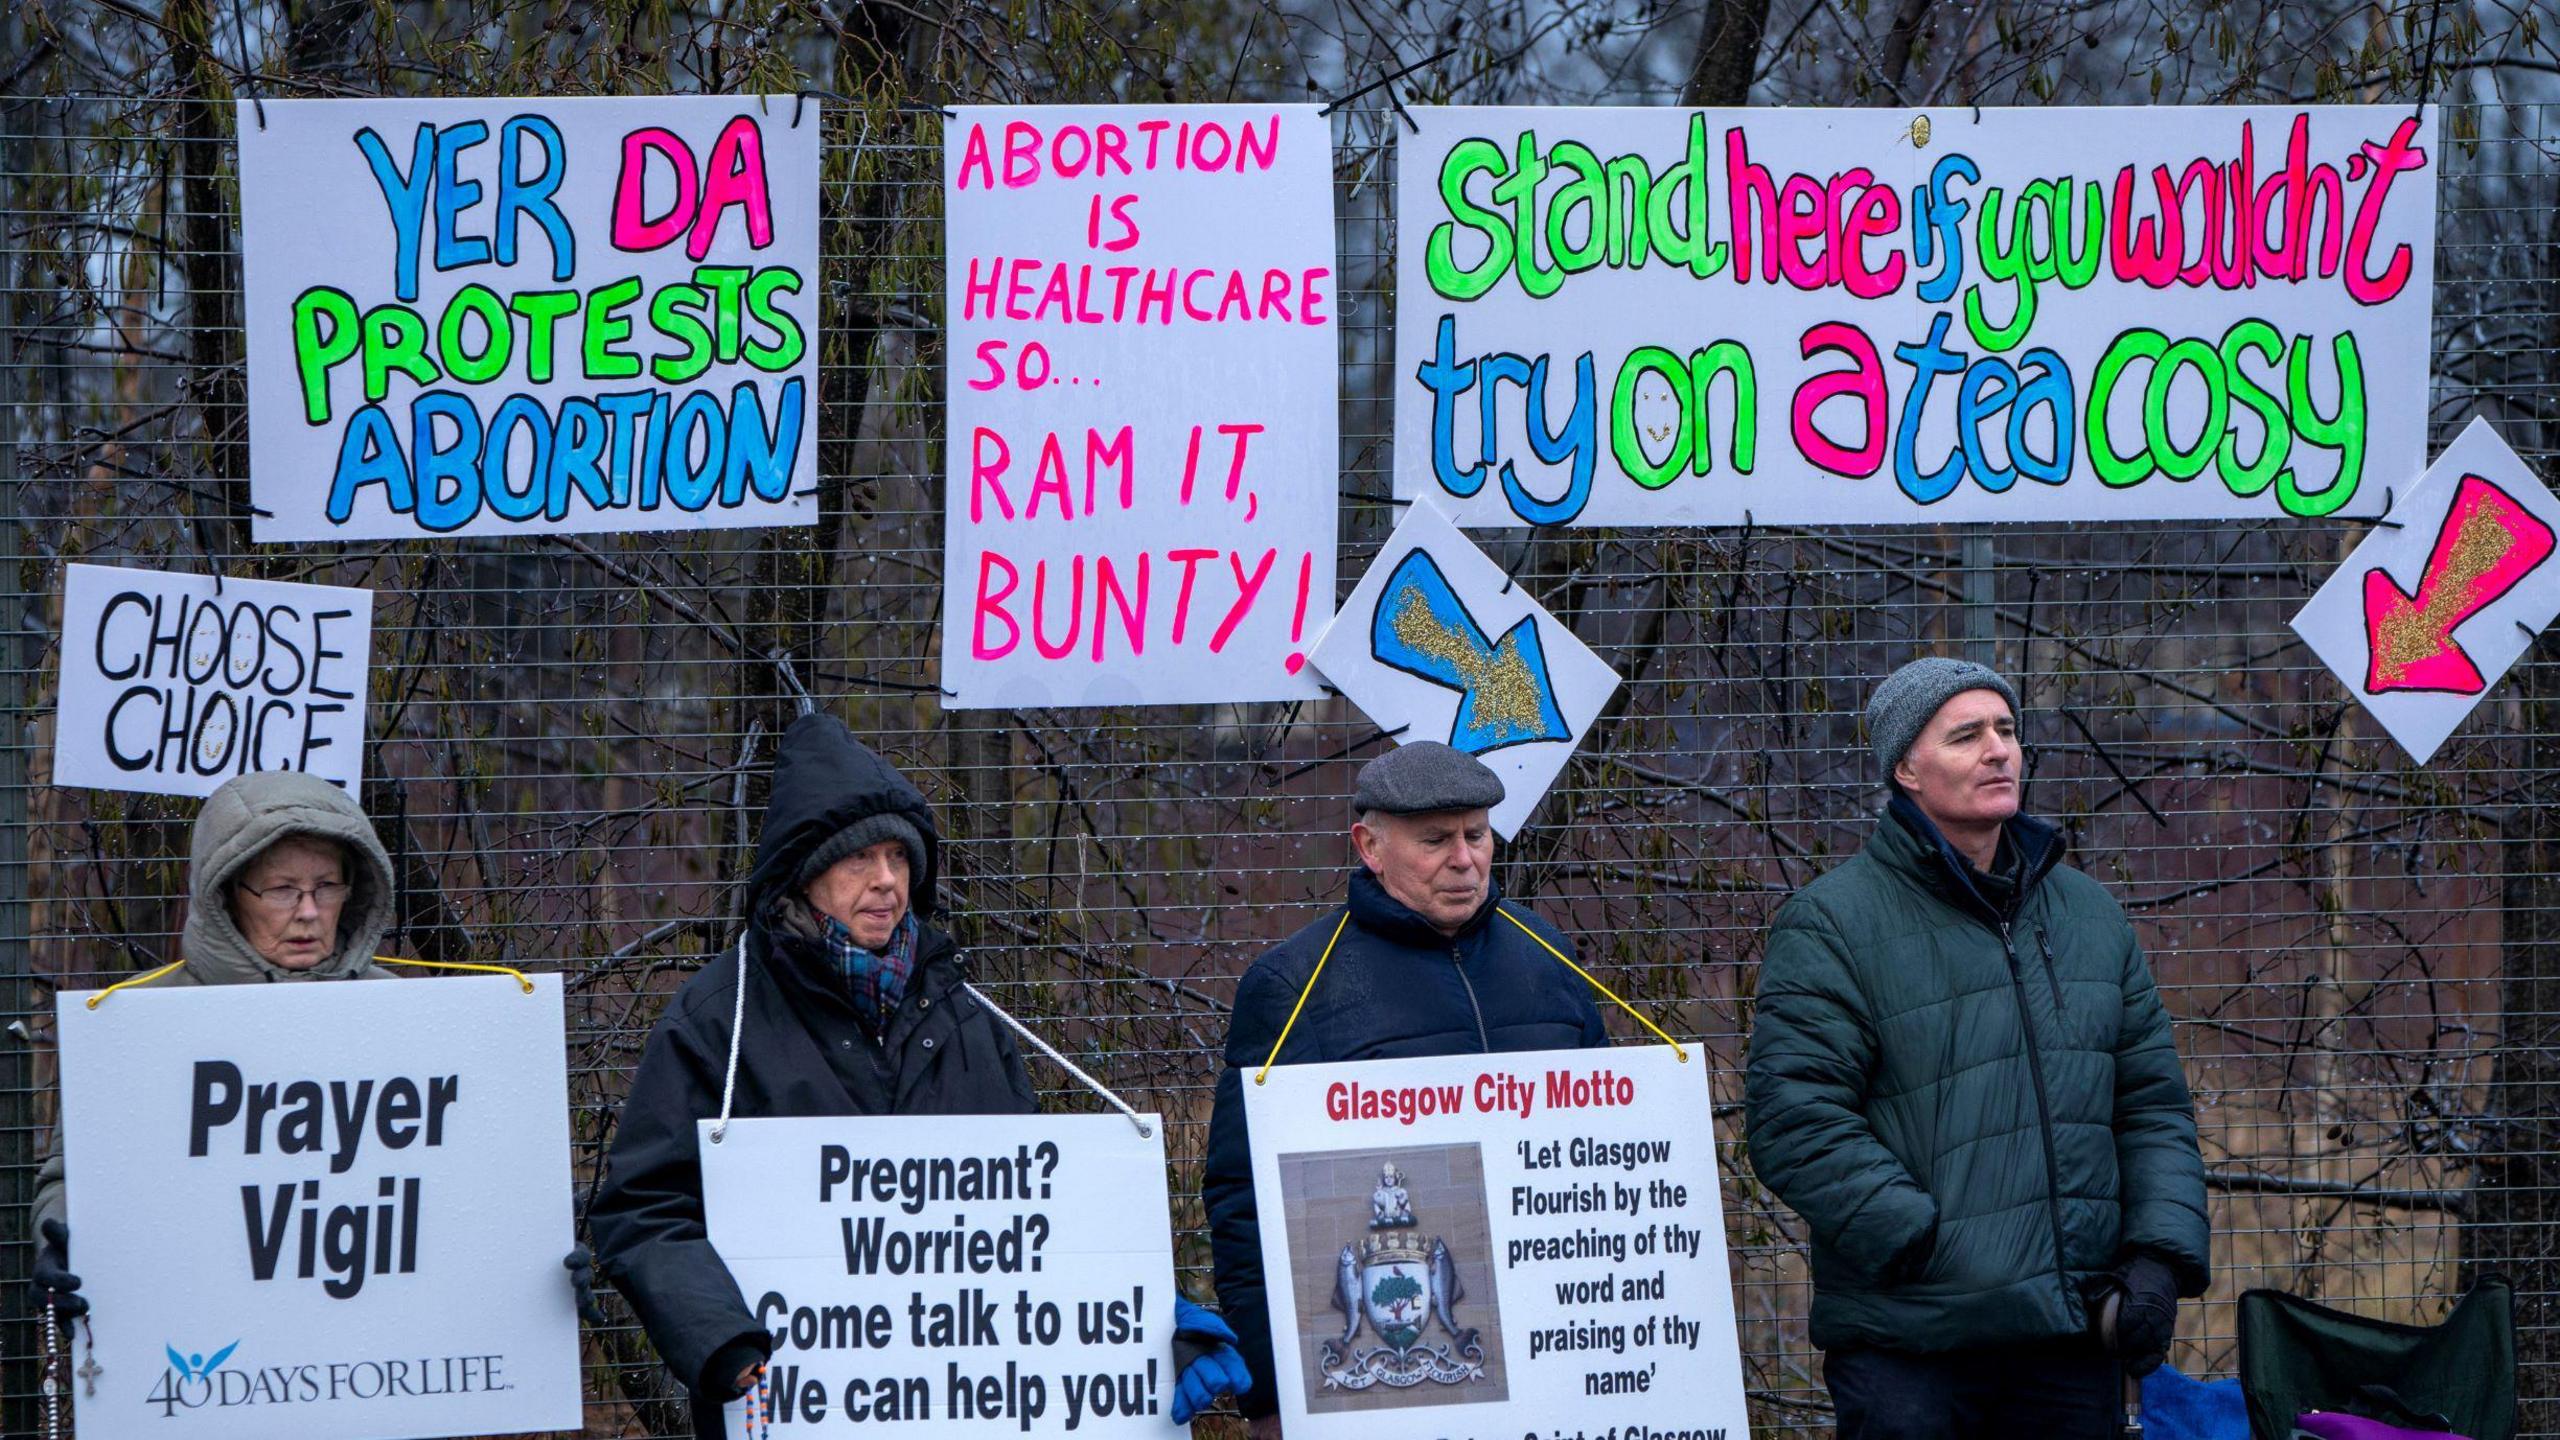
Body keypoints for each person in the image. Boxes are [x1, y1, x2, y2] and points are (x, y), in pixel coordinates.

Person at [590, 712, 1250, 1438]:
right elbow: (644, 1208)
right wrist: (719, 1338)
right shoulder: (721, 1018)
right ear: (805, 875)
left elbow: (1039, 1224)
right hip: (787, 1410)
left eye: (898, 860)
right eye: (859, 861)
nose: (885, 882)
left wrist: (1145, 1318)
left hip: (966, 1410)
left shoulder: (968, 1015)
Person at [1744, 657, 2210, 1438]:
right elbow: (1796, 1121)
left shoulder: (2089, 915)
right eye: (1967, 736)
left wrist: (2158, 1257)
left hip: (2069, 1338)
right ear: (1906, 769)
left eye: (2007, 730)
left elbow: (2152, 1105)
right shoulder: (1833, 923)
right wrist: (1927, 1242)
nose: (1999, 750)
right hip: (1912, 1345)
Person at [25, 770, 602, 1324]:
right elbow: (72, 1177)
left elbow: (475, 1175)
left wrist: (537, 1259)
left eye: (326, 887)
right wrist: (64, 1242)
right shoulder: (139, 1025)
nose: (308, 911)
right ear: (226, 893)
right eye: (281, 889)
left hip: (376, 1354)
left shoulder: (414, 1016)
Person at [1204, 742, 1610, 1438]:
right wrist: (1270, 1395)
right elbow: (1245, 1203)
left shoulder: (1548, 957)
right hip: (1386, 1372)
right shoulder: (1295, 987)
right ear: (1370, 846)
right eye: (1435, 840)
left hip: (1559, 1355)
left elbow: (1609, 1151)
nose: (1465, 859)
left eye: (1476, 835)